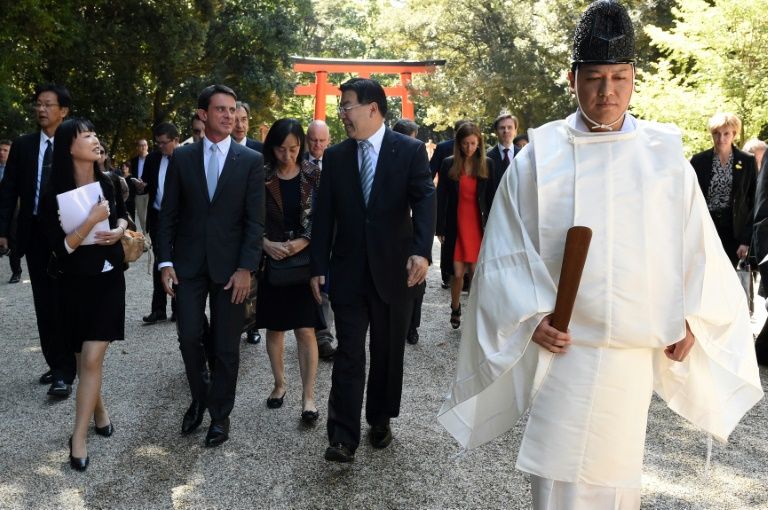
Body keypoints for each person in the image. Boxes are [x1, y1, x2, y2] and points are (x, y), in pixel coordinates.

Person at [438, 2, 763, 509]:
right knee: (557, 481)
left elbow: (695, 246)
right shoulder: (540, 158)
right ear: (573, 80)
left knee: (616, 482)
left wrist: (694, 320)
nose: (607, 91)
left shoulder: (662, 159)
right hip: (564, 347)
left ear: (634, 79)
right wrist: (529, 319)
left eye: (619, 77)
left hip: (630, 356)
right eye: (594, 78)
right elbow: (506, 252)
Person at [310, 78, 435, 462]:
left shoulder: (409, 151)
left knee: (386, 351)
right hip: (348, 271)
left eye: (347, 105)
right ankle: (342, 436)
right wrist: (317, 265)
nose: (341, 113)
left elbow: (425, 200)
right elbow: (325, 215)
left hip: (394, 271)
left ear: (373, 109)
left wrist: (422, 252)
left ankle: (380, 418)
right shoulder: (336, 156)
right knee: (349, 353)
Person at [157, 84, 265, 447]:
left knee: (225, 346)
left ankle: (220, 415)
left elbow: (255, 221)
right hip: (187, 265)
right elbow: (167, 216)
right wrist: (165, 262)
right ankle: (200, 397)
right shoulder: (182, 158)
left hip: (232, 268)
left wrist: (246, 268)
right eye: (221, 109)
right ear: (203, 114)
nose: (229, 115)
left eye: (232, 109)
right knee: (188, 335)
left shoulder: (249, 160)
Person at [39, 118, 129, 471]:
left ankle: (77, 437)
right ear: (69, 146)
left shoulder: (108, 181)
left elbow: (124, 221)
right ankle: (100, 411)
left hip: (108, 279)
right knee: (82, 357)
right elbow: (59, 250)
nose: (94, 139)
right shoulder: (52, 193)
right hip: (73, 284)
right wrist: (90, 222)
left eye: (94, 133)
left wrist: (117, 230)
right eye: (86, 135)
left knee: (91, 358)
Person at [0, 84, 76, 397]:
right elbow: (9, 190)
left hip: (69, 236)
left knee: (66, 302)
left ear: (64, 110)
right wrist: (3, 230)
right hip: (34, 236)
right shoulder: (24, 145)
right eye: (38, 104)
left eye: (48, 104)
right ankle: (57, 364)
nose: (41, 109)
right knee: (44, 303)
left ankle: (67, 368)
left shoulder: (75, 143)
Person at [255, 118, 323, 424]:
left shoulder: (314, 175)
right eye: (282, 149)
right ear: (272, 147)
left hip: (304, 262)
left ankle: (309, 397)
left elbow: (324, 218)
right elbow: (246, 218)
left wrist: (303, 241)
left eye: (294, 148)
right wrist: (264, 244)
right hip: (272, 261)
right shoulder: (260, 175)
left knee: (306, 329)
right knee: (276, 327)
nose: (288, 155)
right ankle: (280, 383)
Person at [436, 122, 498, 329]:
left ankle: (472, 313)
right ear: (458, 144)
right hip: (457, 224)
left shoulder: (487, 164)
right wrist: (440, 228)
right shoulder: (448, 164)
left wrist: (495, 227)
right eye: (465, 144)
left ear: (479, 142)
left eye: (473, 143)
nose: (469, 148)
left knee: (475, 272)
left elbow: (493, 198)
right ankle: (455, 307)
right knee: (457, 272)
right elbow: (441, 197)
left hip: (478, 225)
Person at [690, 113, 757, 267]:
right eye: (716, 134)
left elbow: (754, 202)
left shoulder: (747, 161)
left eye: (726, 133)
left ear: (734, 134)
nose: (721, 139)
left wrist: (746, 241)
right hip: (706, 229)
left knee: (731, 278)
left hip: (734, 231)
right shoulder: (698, 161)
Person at [303, 119, 336, 357]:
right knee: (309, 283)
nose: (317, 144)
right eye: (313, 140)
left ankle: (324, 336)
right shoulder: (298, 163)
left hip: (332, 232)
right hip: (303, 233)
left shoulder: (336, 162)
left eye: (322, 140)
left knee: (326, 283)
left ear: (329, 140)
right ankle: (306, 330)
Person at [393, 119, 426, 345]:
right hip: (394, 230)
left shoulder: (417, 157)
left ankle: (413, 326)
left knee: (418, 281)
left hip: (413, 228)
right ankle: (400, 324)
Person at [142, 122, 179, 324]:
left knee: (179, 262)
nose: (161, 147)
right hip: (158, 217)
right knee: (159, 262)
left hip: (180, 221)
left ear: (176, 140)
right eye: (158, 143)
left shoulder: (186, 158)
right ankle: (158, 309)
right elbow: (147, 185)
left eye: (165, 143)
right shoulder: (153, 159)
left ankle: (178, 307)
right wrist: (140, 186)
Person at [430, 119, 470, 290]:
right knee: (448, 241)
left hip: (468, 203)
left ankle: (467, 278)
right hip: (447, 199)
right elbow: (430, 171)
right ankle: (447, 275)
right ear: (455, 133)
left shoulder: (475, 150)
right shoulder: (443, 148)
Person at [0, 139, 22, 283]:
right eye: (0, 150)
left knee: (13, 240)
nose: (1, 153)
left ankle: (16, 271)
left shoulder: (17, 170)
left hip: (13, 211)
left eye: (5, 150)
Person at [487, 111, 520, 179]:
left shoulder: (523, 155)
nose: (506, 131)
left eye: (509, 127)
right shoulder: (487, 158)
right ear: (496, 132)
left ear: (515, 131)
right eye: (502, 128)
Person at [128, 138, 150, 233]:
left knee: (149, 216)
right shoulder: (134, 161)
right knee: (141, 217)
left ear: (147, 146)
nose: (143, 147)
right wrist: (136, 183)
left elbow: (155, 174)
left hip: (150, 191)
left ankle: (150, 239)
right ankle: (145, 236)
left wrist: (146, 183)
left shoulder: (152, 158)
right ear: (138, 147)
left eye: (144, 145)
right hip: (138, 192)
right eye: (141, 145)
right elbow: (131, 174)